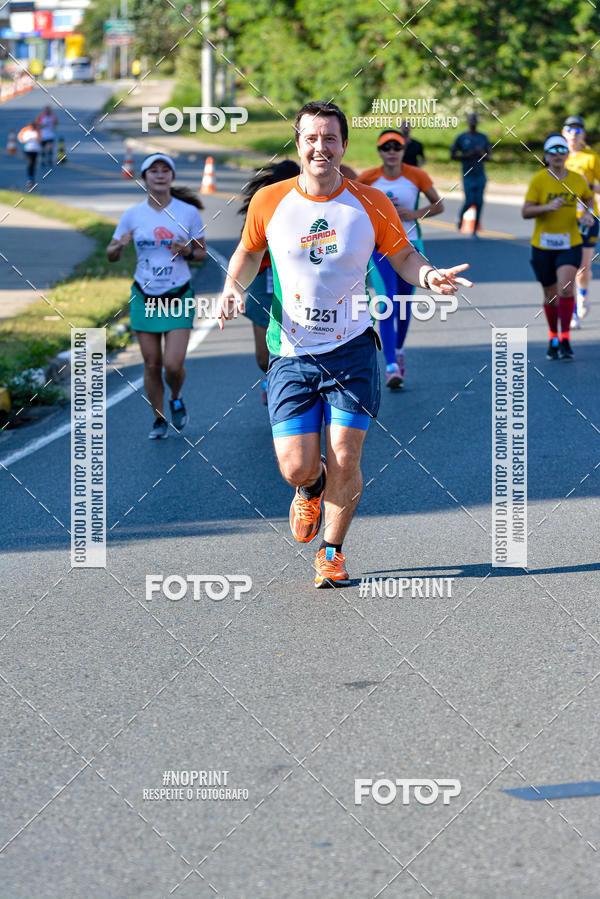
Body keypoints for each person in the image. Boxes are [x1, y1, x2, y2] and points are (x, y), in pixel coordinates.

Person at [218, 100, 471, 588]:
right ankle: (308, 489)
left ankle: (332, 552)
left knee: (347, 455)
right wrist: (233, 287)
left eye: (329, 138)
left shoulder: (370, 202)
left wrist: (430, 276)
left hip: (352, 347)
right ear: (298, 144)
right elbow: (247, 254)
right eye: (311, 138)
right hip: (291, 351)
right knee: (296, 466)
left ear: (343, 145)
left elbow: (403, 256)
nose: (320, 147)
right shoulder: (270, 201)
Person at [106, 153, 206, 438]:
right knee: (152, 364)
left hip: (178, 294)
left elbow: (202, 253)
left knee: (173, 365)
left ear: (171, 177)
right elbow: (110, 255)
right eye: (154, 171)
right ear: (145, 178)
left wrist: (188, 252)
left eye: (165, 170)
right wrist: (119, 247)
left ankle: (175, 395)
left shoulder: (187, 212)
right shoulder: (133, 215)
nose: (160, 175)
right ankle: (159, 418)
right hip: (144, 294)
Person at [358, 130, 444, 388]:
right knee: (387, 302)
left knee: (405, 304)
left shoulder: (416, 175)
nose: (392, 152)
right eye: (387, 148)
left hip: (411, 244)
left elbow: (438, 205)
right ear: (380, 152)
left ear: (404, 150)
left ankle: (397, 349)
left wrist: (414, 212)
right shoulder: (369, 178)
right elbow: (350, 203)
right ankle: (391, 363)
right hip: (380, 248)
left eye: (397, 147)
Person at [522, 134, 593, 361]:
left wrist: (586, 215)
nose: (558, 155)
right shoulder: (539, 180)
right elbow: (526, 212)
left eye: (562, 150)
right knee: (551, 294)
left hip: (570, 243)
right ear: (546, 155)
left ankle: (565, 339)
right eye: (553, 151)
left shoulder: (577, 179)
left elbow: (588, 199)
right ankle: (553, 337)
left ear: (567, 154)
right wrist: (547, 207)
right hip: (542, 246)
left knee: (565, 288)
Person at [238, 160, 301, 404]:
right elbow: (247, 249)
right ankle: (271, 376)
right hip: (264, 280)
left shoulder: (311, 206)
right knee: (264, 357)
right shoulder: (263, 205)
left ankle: (293, 388)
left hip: (298, 282)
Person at [562, 114, 600, 326]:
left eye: (577, 131)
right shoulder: (557, 156)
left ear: (583, 134)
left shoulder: (591, 158)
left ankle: (583, 294)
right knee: (568, 266)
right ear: (563, 133)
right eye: (569, 130)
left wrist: (587, 186)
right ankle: (573, 312)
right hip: (564, 218)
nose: (573, 135)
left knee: (583, 267)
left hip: (588, 217)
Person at [451, 113, 491, 233]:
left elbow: (489, 157)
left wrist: (481, 153)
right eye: (471, 120)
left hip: (480, 174)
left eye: (475, 119)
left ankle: (475, 227)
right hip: (468, 174)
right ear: (467, 122)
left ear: (477, 122)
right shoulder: (461, 137)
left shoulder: (483, 138)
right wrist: (465, 155)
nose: (473, 122)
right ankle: (460, 217)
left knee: (479, 201)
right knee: (469, 201)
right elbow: (452, 155)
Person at [18, 121, 41, 188]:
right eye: (31, 127)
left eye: (33, 127)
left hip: (35, 150)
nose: (32, 128)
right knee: (30, 163)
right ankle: (29, 179)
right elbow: (20, 138)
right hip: (27, 150)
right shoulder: (25, 130)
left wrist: (36, 138)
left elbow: (40, 140)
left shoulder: (37, 131)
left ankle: (32, 178)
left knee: (33, 164)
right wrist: (26, 140)